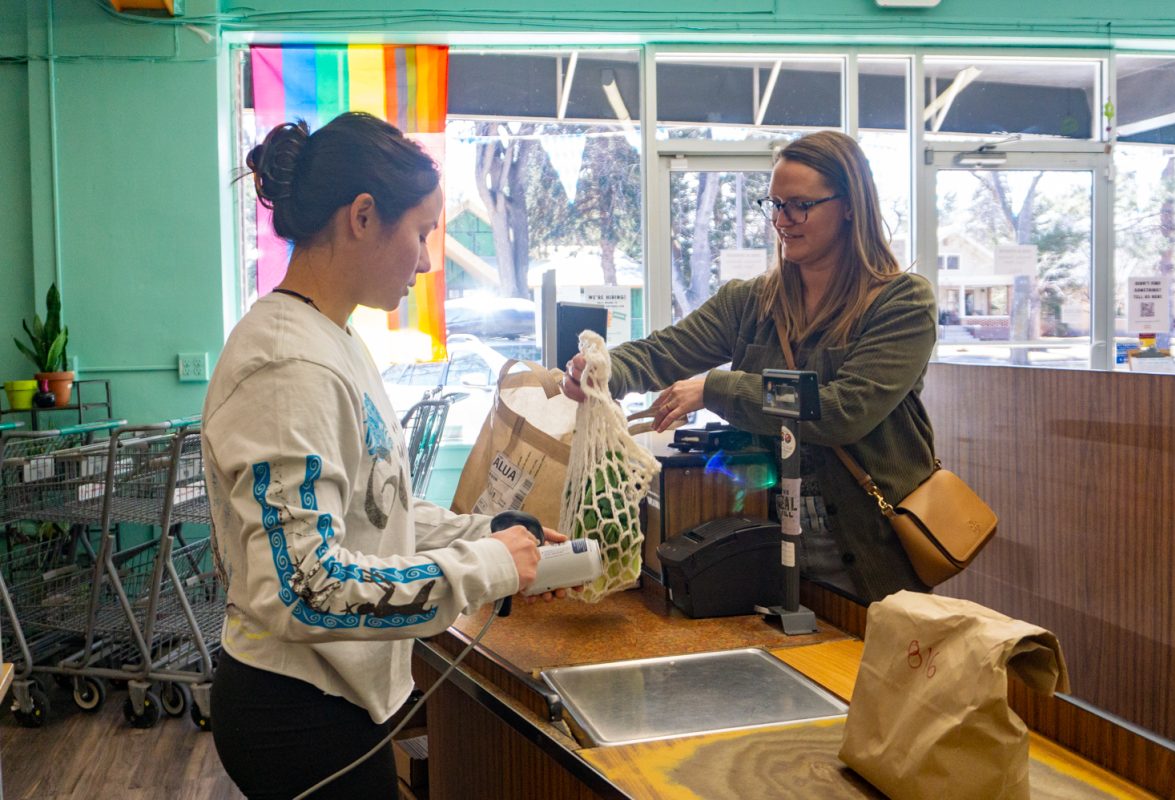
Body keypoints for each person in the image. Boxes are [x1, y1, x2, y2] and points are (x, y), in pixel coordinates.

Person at [202, 111, 565, 800]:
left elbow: (375, 505)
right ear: (363, 216)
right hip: (296, 713)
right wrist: (479, 568)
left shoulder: (332, 338)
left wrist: (484, 534)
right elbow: (307, 589)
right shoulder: (287, 366)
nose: (428, 260)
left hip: (334, 700)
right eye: (421, 232)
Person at [564, 131, 936, 603]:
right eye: (774, 204)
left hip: (869, 553)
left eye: (800, 205)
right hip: (766, 542)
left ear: (849, 206)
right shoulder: (751, 301)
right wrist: (601, 370)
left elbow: (843, 410)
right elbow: (666, 350)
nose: (782, 220)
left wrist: (715, 389)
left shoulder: (902, 302)